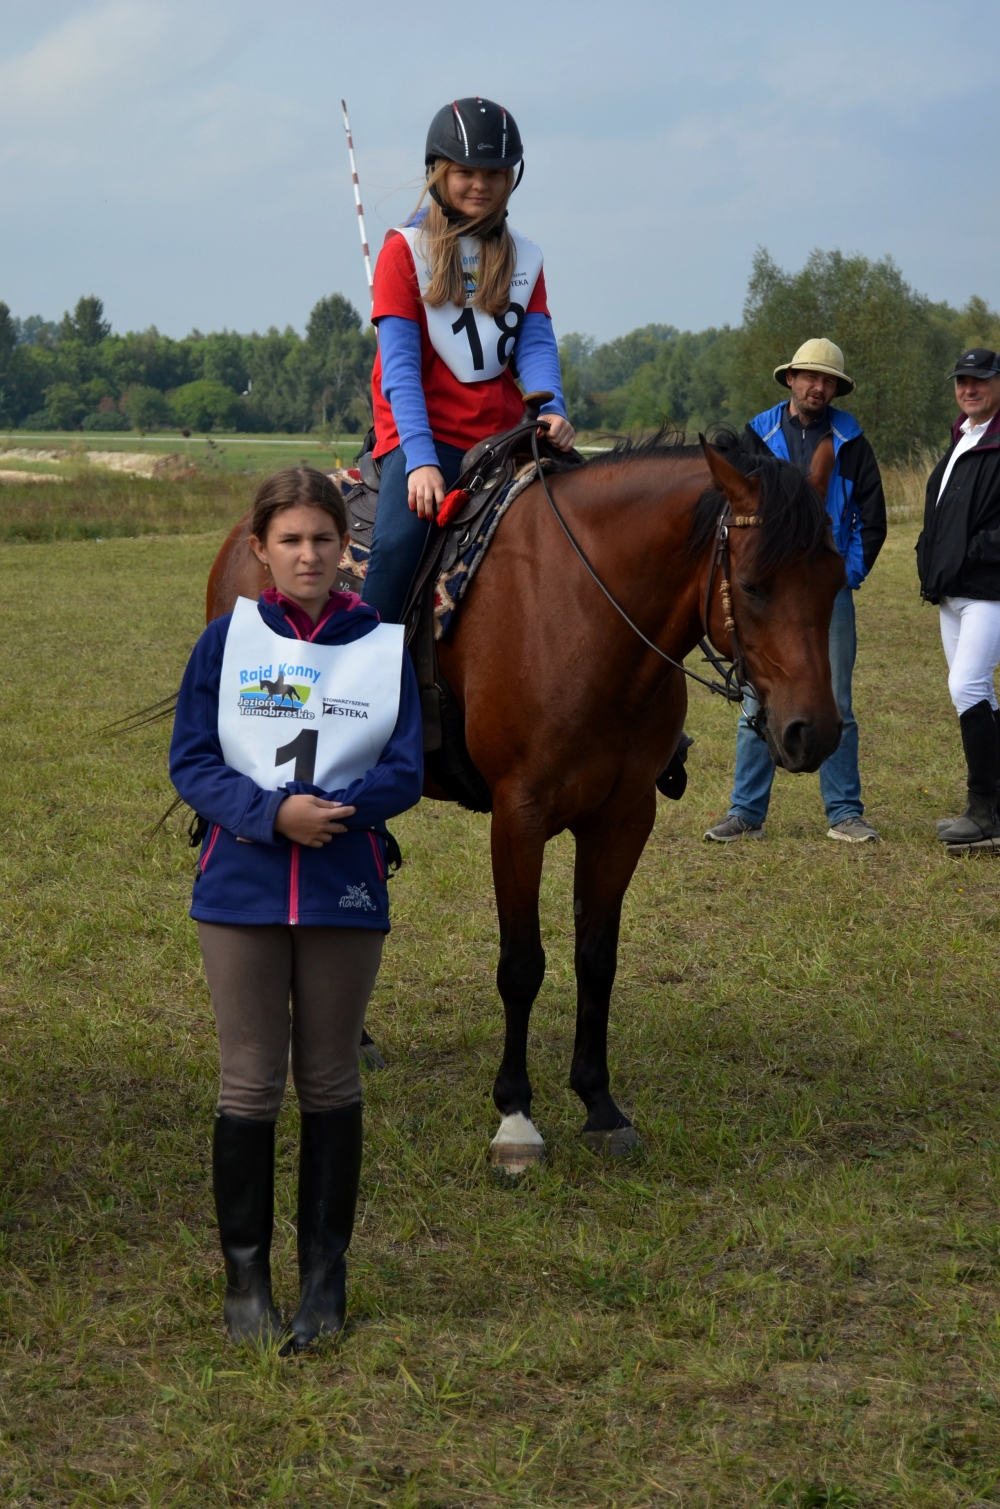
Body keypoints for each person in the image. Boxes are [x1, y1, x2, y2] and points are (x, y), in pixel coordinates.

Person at [170, 467, 423, 1349]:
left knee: (329, 1077)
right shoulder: (224, 643)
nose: (308, 554)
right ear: (261, 548)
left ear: (346, 547)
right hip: (239, 886)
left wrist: (336, 812)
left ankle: (324, 1278)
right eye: (290, 540)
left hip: (342, 882)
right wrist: (272, 814)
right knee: (248, 1079)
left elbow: (405, 767)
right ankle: (245, 1282)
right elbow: (192, 761)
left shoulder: (380, 645)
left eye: (323, 538)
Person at [361, 96, 576, 624]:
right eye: (466, 173)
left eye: (495, 173)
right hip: (422, 435)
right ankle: (366, 666)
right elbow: (400, 370)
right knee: (397, 547)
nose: (481, 184)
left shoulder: (525, 256)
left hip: (503, 435)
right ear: (439, 173)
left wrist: (553, 408)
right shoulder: (403, 252)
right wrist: (420, 459)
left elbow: (535, 344)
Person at [704, 338, 887, 845]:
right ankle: (746, 812)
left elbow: (872, 519)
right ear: (791, 379)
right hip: (772, 592)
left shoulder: (852, 442)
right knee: (754, 696)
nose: (817, 387)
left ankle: (845, 813)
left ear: (836, 389)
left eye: (827, 381)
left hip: (827, 592)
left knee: (837, 699)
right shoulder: (756, 436)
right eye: (810, 377)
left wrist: (844, 574)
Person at [916, 348, 1000, 845]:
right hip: (952, 591)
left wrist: (973, 551)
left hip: (988, 589)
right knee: (979, 693)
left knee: (966, 686)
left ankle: (983, 810)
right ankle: (992, 808)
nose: (969, 389)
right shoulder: (964, 436)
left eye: (980, 380)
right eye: (962, 381)